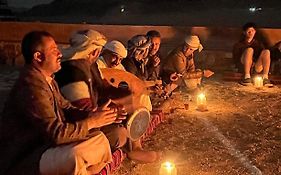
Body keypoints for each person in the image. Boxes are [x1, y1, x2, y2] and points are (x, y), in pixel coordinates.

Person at [0, 31, 116, 175]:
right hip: (27, 157)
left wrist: (93, 114)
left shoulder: (48, 80)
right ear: (38, 56)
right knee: (74, 155)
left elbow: (66, 107)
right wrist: (91, 122)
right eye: (54, 51)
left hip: (46, 148)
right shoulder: (31, 86)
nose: (60, 54)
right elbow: (56, 134)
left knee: (99, 138)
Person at [56, 29, 160, 163]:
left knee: (131, 106)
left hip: (96, 116)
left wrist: (128, 96)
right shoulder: (72, 72)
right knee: (120, 135)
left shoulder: (90, 66)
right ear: (95, 51)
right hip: (81, 128)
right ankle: (124, 150)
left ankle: (135, 148)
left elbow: (104, 88)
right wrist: (112, 112)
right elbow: (83, 111)